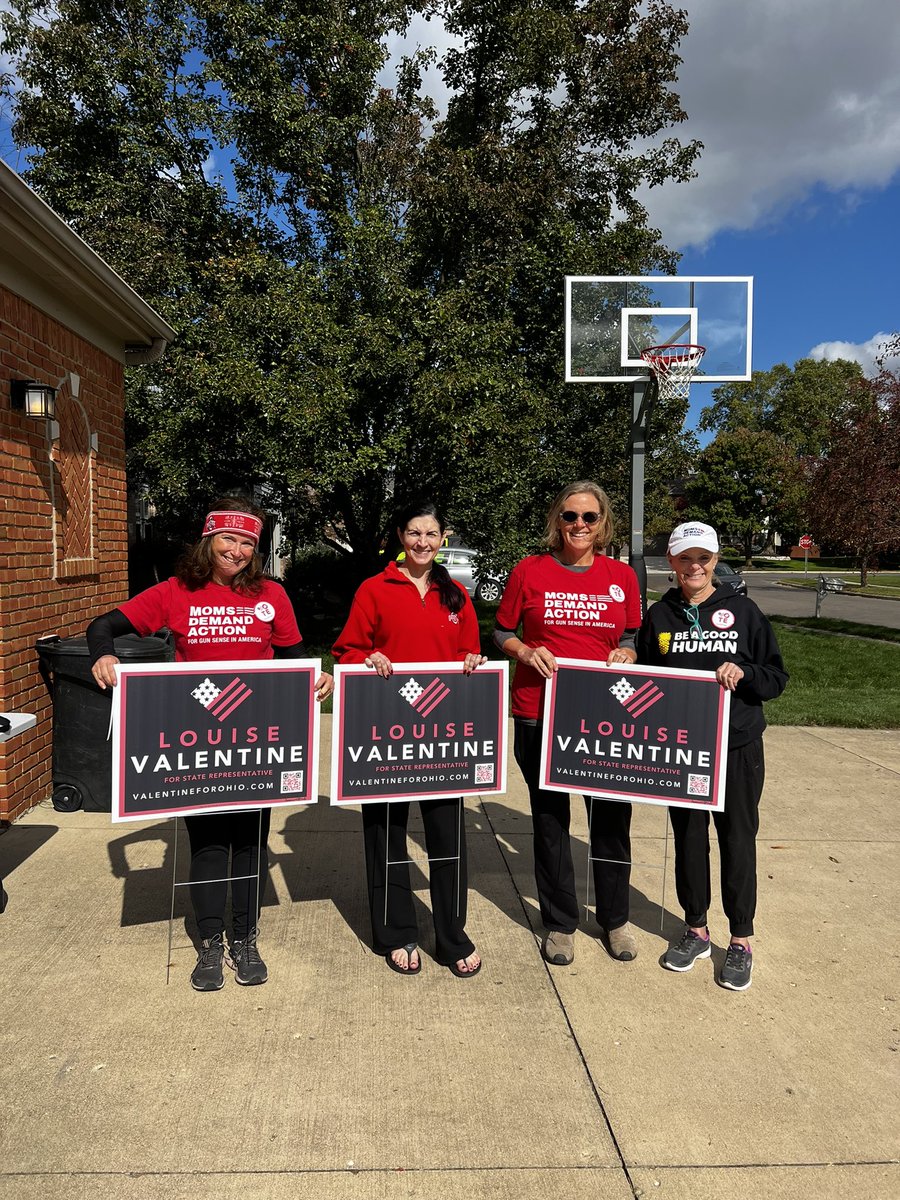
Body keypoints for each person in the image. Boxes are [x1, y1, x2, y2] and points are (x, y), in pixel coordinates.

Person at [87, 496, 333, 992]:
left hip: (258, 739)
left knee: (250, 843)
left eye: (247, 543)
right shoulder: (176, 590)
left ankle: (245, 938)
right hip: (198, 740)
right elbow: (103, 626)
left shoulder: (271, 594)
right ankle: (210, 942)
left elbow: (293, 657)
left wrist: (317, 677)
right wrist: (104, 656)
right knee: (208, 845)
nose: (237, 550)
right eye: (228, 539)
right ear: (209, 539)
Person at [332, 501, 487, 978]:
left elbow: (470, 651)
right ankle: (396, 932)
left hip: (442, 735)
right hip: (385, 730)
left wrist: (472, 661)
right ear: (401, 536)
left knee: (447, 837)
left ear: (442, 539)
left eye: (431, 534)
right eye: (415, 533)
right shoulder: (374, 589)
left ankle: (451, 935)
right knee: (387, 835)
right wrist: (367, 658)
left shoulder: (455, 594)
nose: (423, 542)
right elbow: (348, 649)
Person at [494, 482, 642, 966]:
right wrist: (524, 651)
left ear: (603, 523)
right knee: (551, 821)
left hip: (604, 718)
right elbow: (501, 630)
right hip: (539, 712)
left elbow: (632, 632)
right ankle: (560, 923)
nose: (579, 525)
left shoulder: (621, 575)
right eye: (570, 516)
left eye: (589, 517)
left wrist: (628, 652)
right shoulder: (529, 570)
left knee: (611, 819)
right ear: (557, 519)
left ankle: (615, 918)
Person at [637, 521, 788, 991]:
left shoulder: (743, 611)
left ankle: (740, 938)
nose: (695, 567)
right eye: (685, 558)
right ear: (672, 562)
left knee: (737, 840)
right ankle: (696, 929)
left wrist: (744, 673)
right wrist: (627, 662)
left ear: (715, 561)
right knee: (688, 839)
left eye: (703, 558)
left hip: (736, 746)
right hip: (682, 749)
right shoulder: (660, 616)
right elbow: (647, 678)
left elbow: (776, 678)